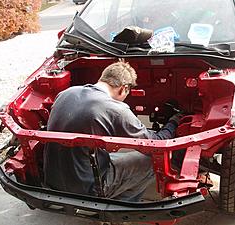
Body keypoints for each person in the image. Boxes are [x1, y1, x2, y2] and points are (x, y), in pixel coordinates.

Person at [43, 61, 180, 201]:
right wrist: (174, 122)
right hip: (87, 189)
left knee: (120, 157)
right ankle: (123, 207)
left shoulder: (66, 93)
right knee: (153, 161)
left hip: (53, 180)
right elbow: (155, 144)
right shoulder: (115, 109)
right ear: (123, 88)